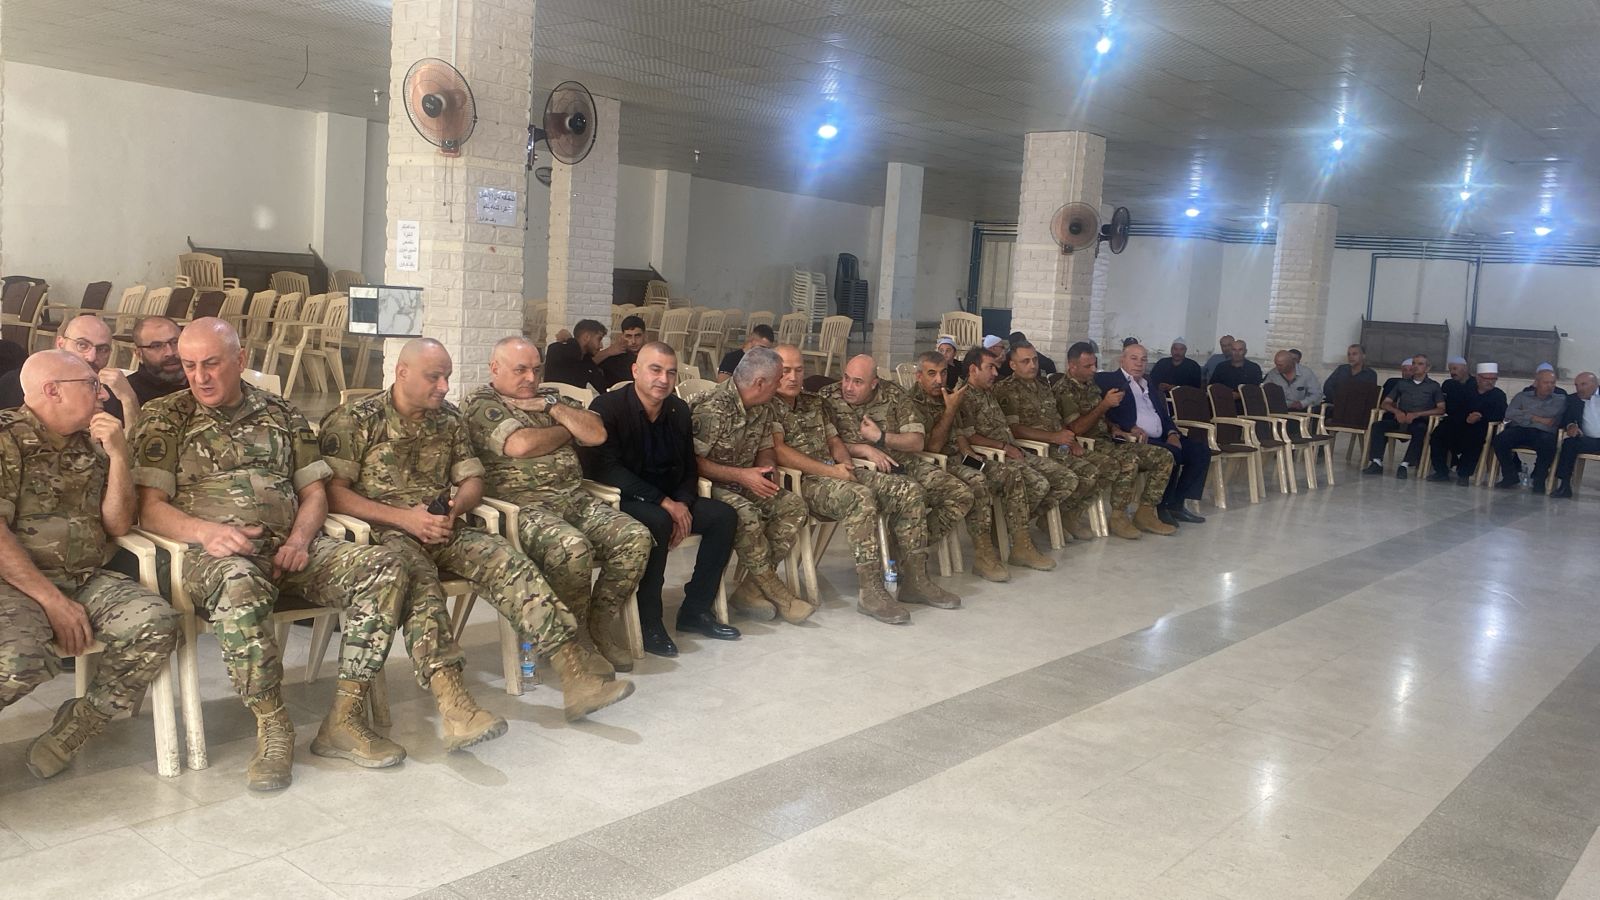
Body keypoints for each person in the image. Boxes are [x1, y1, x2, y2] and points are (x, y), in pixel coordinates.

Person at [132, 319, 410, 791]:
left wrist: (300, 540)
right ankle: (274, 726)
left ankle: (344, 718)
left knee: (384, 567)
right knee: (238, 584)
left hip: (291, 546)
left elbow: (314, 492)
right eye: (190, 365)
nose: (199, 377)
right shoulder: (165, 416)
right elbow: (150, 509)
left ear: (240, 360)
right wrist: (207, 532)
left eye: (211, 364)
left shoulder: (282, 412)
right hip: (212, 555)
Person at [319, 338, 632, 728]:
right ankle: (454, 704)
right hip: (384, 533)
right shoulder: (356, 419)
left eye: (447, 377)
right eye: (434, 377)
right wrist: (405, 519)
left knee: (508, 562)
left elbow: (473, 480)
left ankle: (574, 673)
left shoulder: (448, 419)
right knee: (420, 583)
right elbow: (333, 494)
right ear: (402, 373)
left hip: (443, 525)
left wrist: (455, 509)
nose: (444, 387)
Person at [0, 351, 180, 781]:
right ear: (52, 390)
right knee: (18, 660)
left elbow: (117, 524)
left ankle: (81, 722)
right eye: (91, 385)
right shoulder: (6, 438)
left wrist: (118, 456)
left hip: (84, 578)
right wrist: (52, 602)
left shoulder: (92, 441)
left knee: (157, 623)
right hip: (16, 583)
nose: (102, 395)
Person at [463, 337, 652, 672]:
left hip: (573, 499)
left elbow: (596, 433)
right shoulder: (482, 403)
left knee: (635, 537)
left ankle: (598, 623)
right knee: (572, 547)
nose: (531, 378)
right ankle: (574, 638)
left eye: (536, 370)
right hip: (520, 509)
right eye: (520, 370)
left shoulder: (550, 398)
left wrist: (553, 409)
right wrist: (567, 429)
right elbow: (520, 445)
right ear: (495, 369)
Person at [772, 346, 958, 623]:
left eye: (799, 370)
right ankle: (870, 590)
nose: (793, 377)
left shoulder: (813, 401)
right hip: (803, 481)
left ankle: (915, 579)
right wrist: (833, 471)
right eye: (786, 371)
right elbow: (780, 452)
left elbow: (834, 440)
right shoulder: (768, 405)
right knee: (860, 497)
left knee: (909, 490)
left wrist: (846, 465)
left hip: (836, 471)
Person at [585, 342, 740, 654]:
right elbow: (606, 470)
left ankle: (695, 610)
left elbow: (688, 466)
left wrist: (682, 502)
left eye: (671, 373)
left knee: (723, 517)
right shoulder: (608, 407)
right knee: (658, 521)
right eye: (655, 370)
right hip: (620, 498)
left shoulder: (677, 410)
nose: (663, 379)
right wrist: (664, 503)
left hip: (667, 498)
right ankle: (649, 622)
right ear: (635, 371)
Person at [819, 355, 991, 581]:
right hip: (863, 468)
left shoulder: (894, 394)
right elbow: (823, 443)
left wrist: (880, 437)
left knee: (960, 494)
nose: (848, 387)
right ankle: (912, 569)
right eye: (846, 378)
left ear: (874, 383)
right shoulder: (827, 397)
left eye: (858, 382)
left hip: (904, 463)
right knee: (912, 492)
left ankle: (900, 546)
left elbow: (916, 442)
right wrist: (863, 448)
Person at [690, 347, 813, 623]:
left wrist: (767, 469)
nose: (781, 384)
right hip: (710, 487)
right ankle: (778, 593)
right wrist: (742, 476)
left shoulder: (763, 406)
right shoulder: (713, 408)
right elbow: (692, 462)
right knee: (745, 513)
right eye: (778, 379)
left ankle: (750, 589)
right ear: (760, 383)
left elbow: (766, 446)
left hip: (746, 480)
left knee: (793, 506)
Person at [905, 351, 1028, 580]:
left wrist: (970, 455)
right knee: (978, 481)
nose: (939, 380)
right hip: (934, 463)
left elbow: (960, 434)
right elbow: (932, 447)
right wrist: (950, 410)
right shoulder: (910, 403)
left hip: (958, 458)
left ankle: (1021, 544)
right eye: (931, 374)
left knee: (1007, 472)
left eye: (943, 373)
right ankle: (983, 554)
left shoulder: (947, 395)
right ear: (918, 376)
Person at [956, 346, 1065, 570]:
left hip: (1012, 450)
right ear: (973, 369)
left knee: (1060, 478)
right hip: (990, 456)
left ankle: (1007, 525)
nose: (996, 373)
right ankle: (1018, 542)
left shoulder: (987, 392)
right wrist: (1003, 447)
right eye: (990, 368)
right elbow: (969, 436)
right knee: (1035, 482)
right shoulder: (963, 396)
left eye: (996, 368)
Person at [994, 341, 1111, 542]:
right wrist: (1053, 437)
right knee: (1069, 478)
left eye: (1035, 360)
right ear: (1012, 365)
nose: (1032, 365)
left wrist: (1070, 439)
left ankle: (1066, 516)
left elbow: (1056, 419)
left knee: (1099, 469)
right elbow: (1014, 429)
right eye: (1025, 361)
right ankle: (1030, 521)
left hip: (1058, 446)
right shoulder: (1006, 389)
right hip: (1033, 449)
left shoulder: (1043, 385)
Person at [1056, 342, 1176, 538]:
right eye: (1088, 366)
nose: (1094, 370)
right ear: (1072, 366)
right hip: (1087, 444)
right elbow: (1076, 429)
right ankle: (1118, 517)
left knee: (1164, 456)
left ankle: (1145, 512)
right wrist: (1105, 405)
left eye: (1095, 364)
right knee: (1129, 461)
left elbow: (1100, 417)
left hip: (1108, 439)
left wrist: (1114, 427)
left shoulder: (1090, 385)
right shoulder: (1064, 389)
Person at [1097, 343, 1210, 526]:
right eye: (1134, 358)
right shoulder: (1110, 380)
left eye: (1143, 360)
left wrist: (1172, 432)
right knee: (1172, 453)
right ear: (1122, 360)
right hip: (1137, 439)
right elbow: (1106, 411)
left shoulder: (1148, 382)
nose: (1139, 363)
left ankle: (1177, 503)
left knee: (1200, 451)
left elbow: (1163, 414)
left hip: (1162, 435)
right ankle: (1162, 506)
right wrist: (1127, 427)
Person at [0, 316, 137, 425]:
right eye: (82, 345)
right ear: (60, 344)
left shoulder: (112, 391)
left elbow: (133, 446)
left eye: (102, 349)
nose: (91, 357)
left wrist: (129, 400)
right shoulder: (16, 383)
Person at [1363, 353, 1444, 479]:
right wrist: (1397, 412)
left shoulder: (1433, 386)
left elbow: (1441, 409)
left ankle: (1405, 465)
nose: (1415, 366)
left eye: (1420, 364)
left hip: (1419, 420)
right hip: (1400, 418)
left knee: (1421, 430)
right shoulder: (1402, 383)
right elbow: (1385, 403)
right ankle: (1376, 462)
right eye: (1414, 363)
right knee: (1377, 426)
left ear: (1427, 368)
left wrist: (1417, 414)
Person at [1427, 362, 1506, 485]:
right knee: (1439, 433)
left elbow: (1500, 414)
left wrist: (1480, 416)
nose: (1490, 382)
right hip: (1461, 423)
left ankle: (1464, 474)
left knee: (1475, 437)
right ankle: (1441, 471)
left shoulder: (1499, 395)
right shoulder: (1465, 391)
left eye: (1493, 379)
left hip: (1482, 426)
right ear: (1478, 378)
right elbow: (1454, 409)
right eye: (1487, 378)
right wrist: (1467, 418)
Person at [1492, 368, 1565, 492]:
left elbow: (1551, 415)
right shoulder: (1522, 396)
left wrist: (1523, 413)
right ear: (1536, 383)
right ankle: (1510, 475)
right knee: (1500, 440)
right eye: (1546, 382)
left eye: (1552, 383)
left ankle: (1539, 480)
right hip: (1521, 429)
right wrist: (1537, 418)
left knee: (1548, 445)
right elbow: (1510, 413)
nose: (1550, 386)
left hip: (1544, 432)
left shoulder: (1560, 400)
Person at [1552, 371, 1600, 499]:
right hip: (1587, 439)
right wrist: (1570, 426)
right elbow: (1565, 419)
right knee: (1569, 444)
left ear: (1595, 384)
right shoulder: (1572, 399)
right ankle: (1565, 485)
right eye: (1577, 385)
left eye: (1583, 384)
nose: (1579, 389)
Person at [126, 316, 188, 404]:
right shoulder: (128, 393)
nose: (170, 352)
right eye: (156, 346)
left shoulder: (202, 381)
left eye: (175, 342)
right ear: (139, 354)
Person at [544, 318, 608, 390]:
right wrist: (570, 339)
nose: (601, 346)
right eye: (599, 339)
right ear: (586, 337)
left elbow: (603, 387)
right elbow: (573, 353)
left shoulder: (586, 361)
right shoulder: (557, 350)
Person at [595, 314, 646, 389]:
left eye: (637, 336)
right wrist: (609, 351)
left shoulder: (651, 356)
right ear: (622, 336)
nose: (633, 341)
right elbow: (587, 363)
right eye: (628, 336)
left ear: (644, 335)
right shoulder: (614, 358)